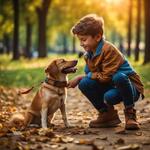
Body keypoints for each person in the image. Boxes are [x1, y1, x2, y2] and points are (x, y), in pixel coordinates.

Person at [68, 14, 144, 130]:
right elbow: (90, 76)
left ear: (98, 37)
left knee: (119, 77)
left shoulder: (109, 49)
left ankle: (130, 114)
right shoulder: (88, 55)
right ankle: (107, 115)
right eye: (80, 40)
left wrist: (80, 77)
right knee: (85, 83)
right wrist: (80, 79)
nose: (81, 44)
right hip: (112, 86)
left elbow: (105, 77)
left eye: (84, 40)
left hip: (129, 86)